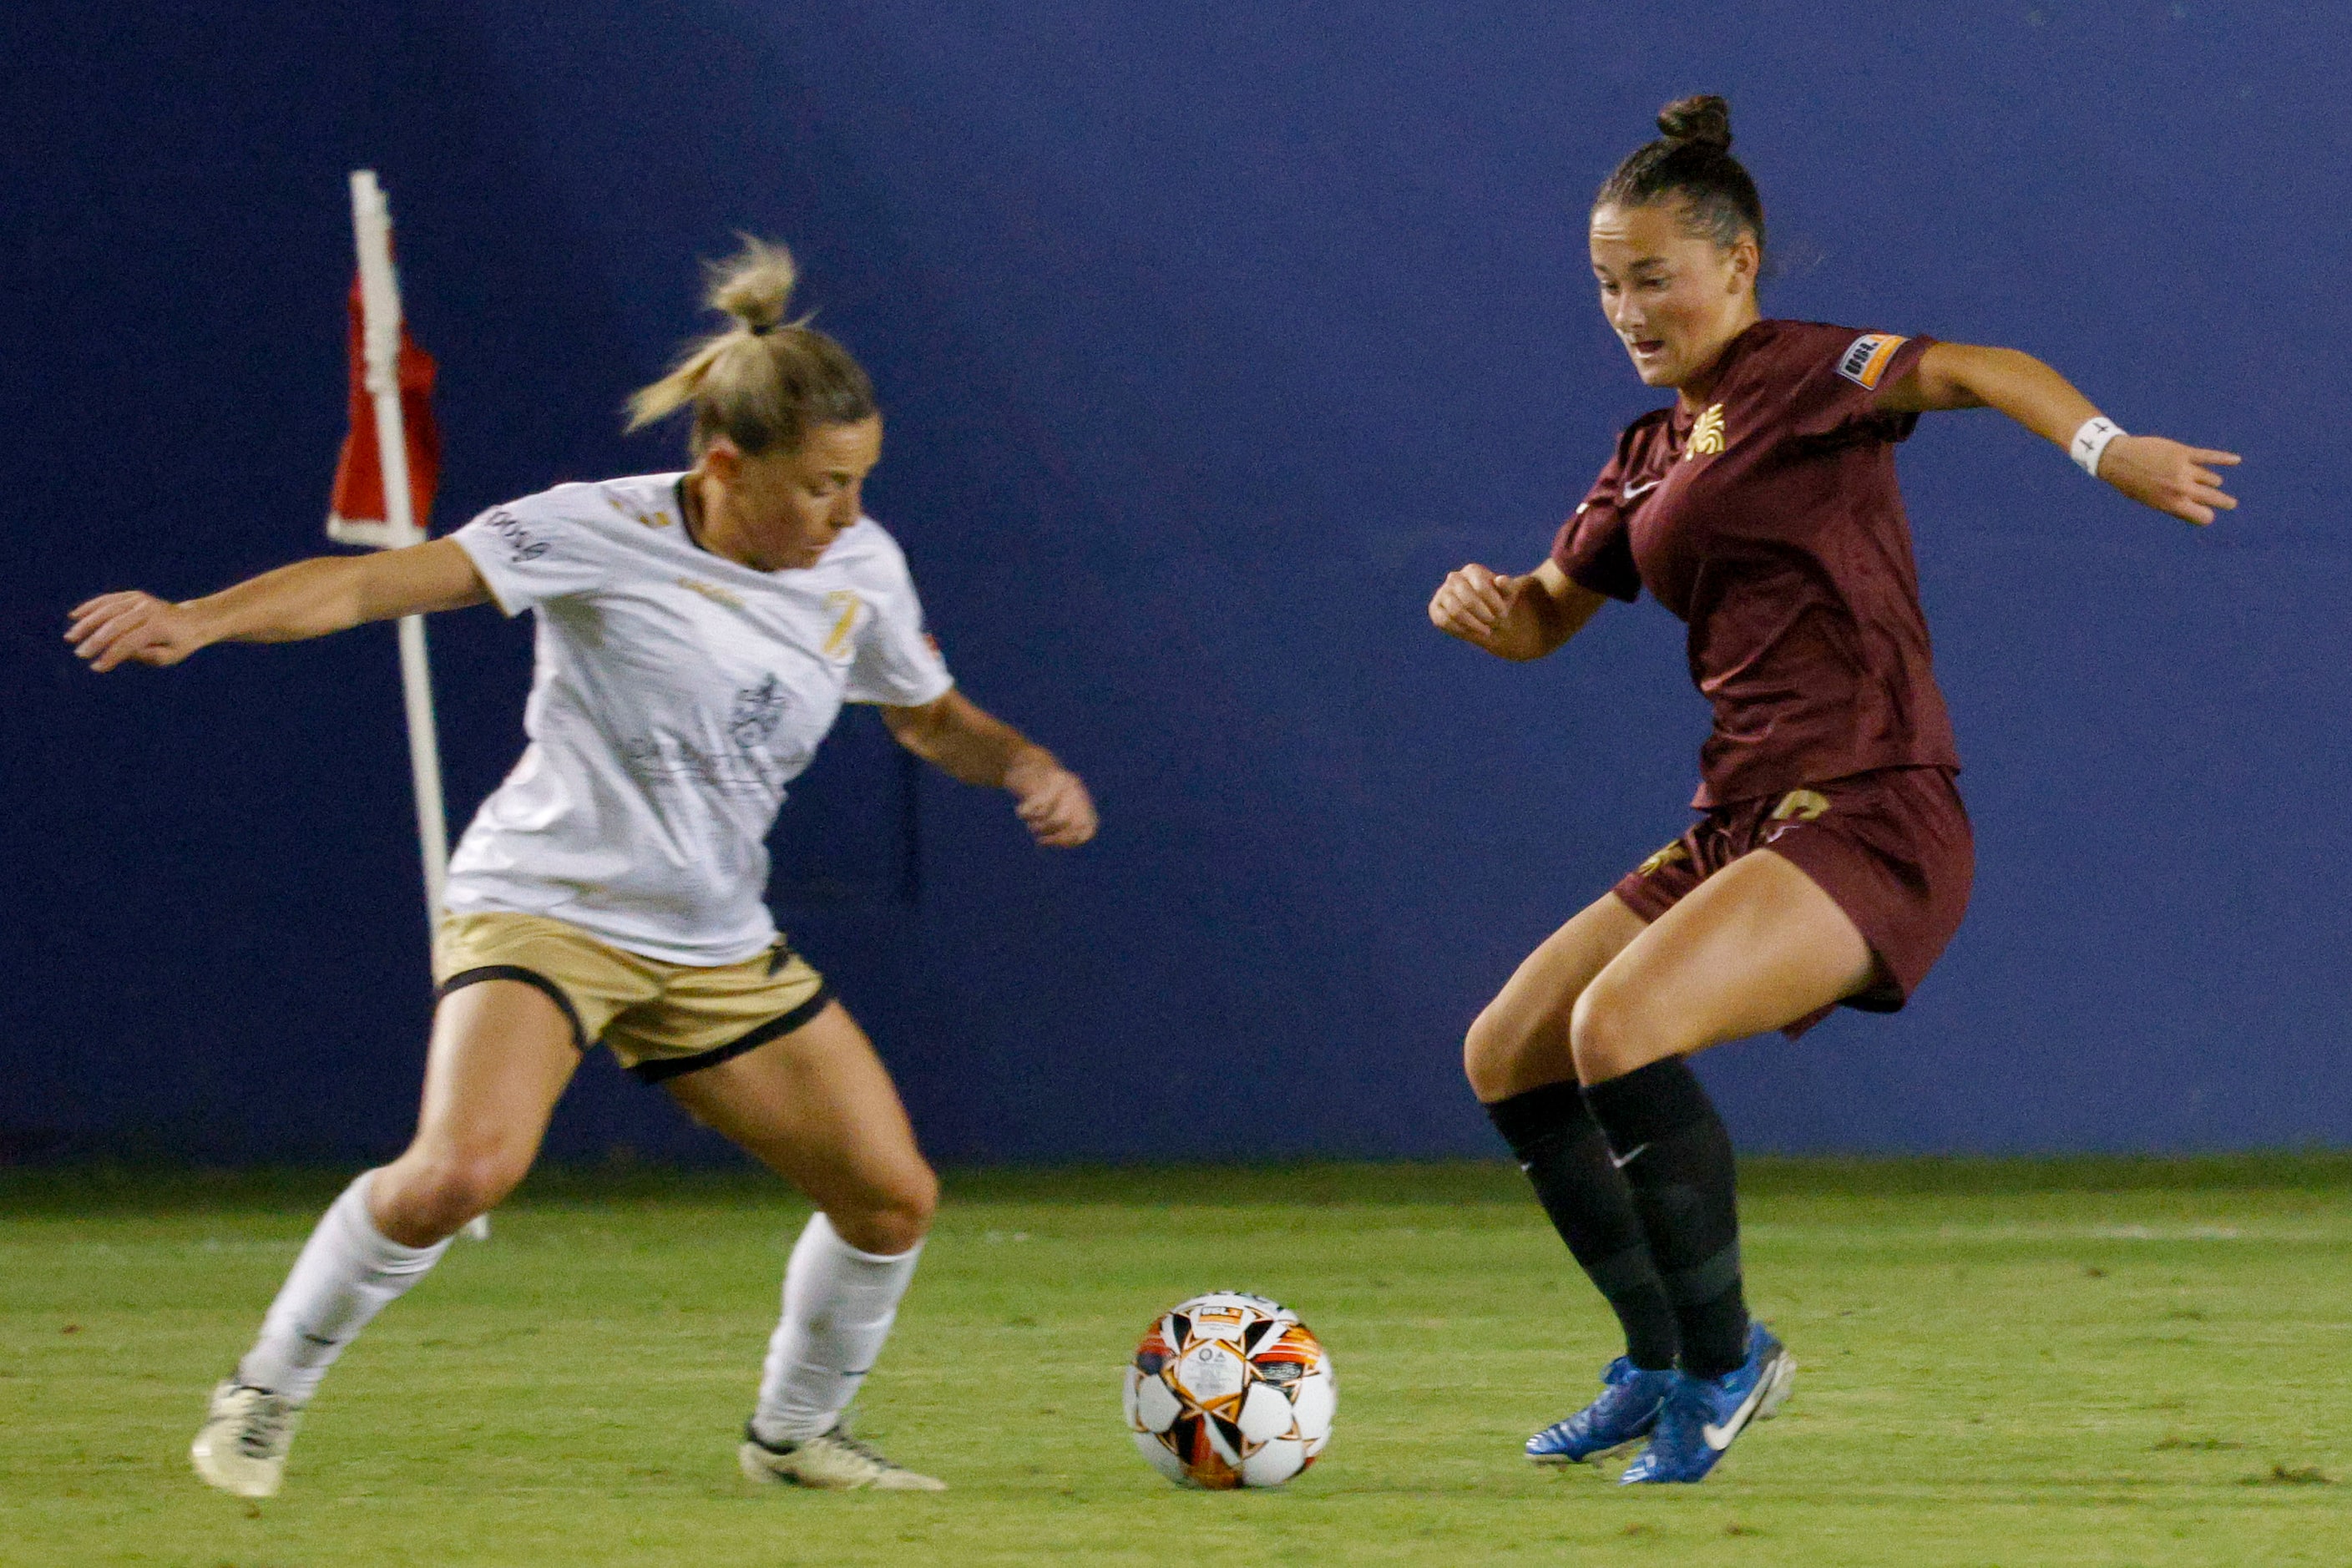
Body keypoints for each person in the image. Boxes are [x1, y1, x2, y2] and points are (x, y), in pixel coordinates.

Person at [68, 238, 1097, 1497]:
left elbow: (928, 716)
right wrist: (201, 618)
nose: (849, 515)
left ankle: (791, 1439)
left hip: (710, 934)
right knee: (461, 1171)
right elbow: (372, 585)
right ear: (724, 465)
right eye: (825, 485)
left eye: (861, 483)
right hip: (543, 907)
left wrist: (1026, 764)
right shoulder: (591, 528)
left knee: (889, 1201)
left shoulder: (857, 567)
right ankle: (263, 1392)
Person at [1428, 95, 2237, 1485]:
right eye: (1605, 282)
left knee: (1617, 1026)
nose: (1627, 305)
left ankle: (1727, 1357)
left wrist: (2110, 450)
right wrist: (1487, 607)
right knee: (1510, 1049)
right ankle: (1655, 1359)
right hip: (1737, 819)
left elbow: (1980, 369)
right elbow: (1547, 614)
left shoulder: (1809, 374)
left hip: (1869, 806)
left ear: (1737, 265)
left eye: (1654, 276)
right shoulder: (1642, 451)